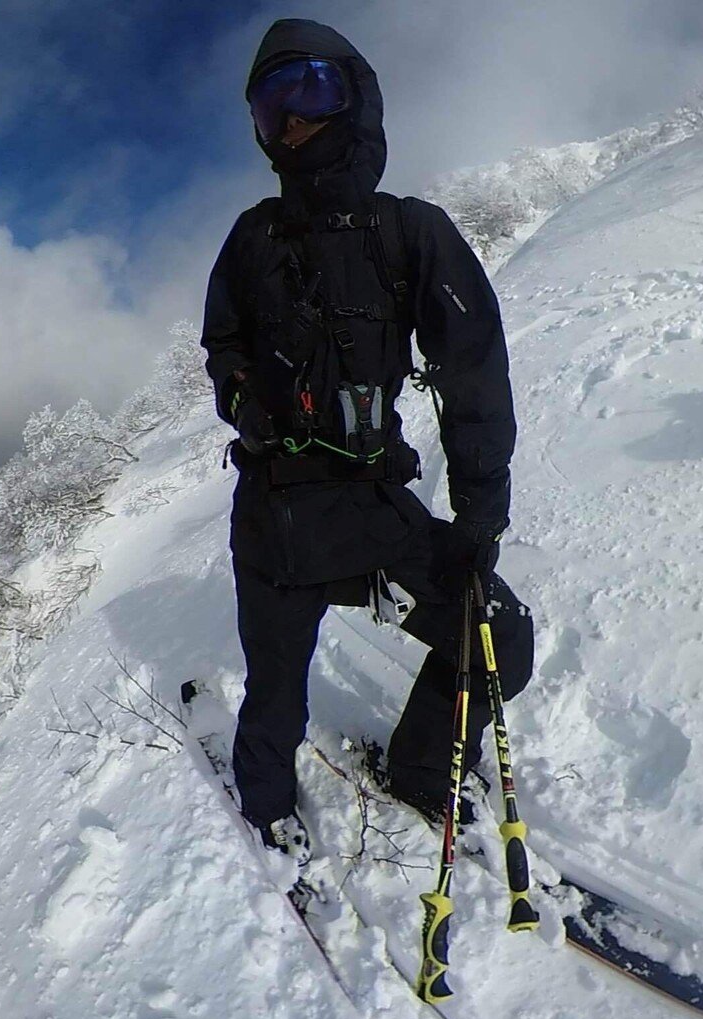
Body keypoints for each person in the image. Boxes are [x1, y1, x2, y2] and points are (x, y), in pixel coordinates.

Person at [201, 18, 534, 850]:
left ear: (355, 94)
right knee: (275, 701)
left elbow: (474, 377)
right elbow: (222, 347)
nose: (293, 123)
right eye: (271, 107)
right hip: (273, 518)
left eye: (309, 91)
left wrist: (479, 519)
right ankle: (267, 817)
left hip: (373, 512)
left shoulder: (408, 232)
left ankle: (423, 769)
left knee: (500, 644)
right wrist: (247, 399)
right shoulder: (251, 239)